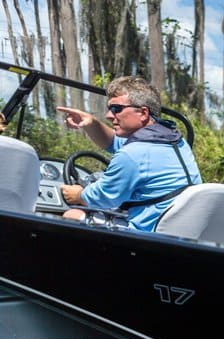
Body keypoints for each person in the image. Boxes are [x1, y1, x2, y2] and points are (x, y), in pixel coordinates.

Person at [58, 75, 202, 232]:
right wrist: (90, 122)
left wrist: (78, 195)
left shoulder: (132, 155)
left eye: (116, 109)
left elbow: (103, 198)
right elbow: (114, 142)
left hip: (147, 235)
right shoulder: (175, 141)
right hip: (179, 231)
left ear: (143, 113)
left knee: (72, 214)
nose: (108, 115)